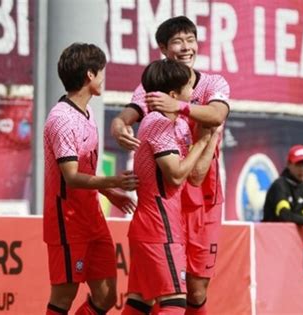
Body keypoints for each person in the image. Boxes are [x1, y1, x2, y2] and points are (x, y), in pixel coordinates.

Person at [111, 16, 230, 314]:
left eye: (191, 40)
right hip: (167, 204)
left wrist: (180, 106)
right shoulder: (153, 94)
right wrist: (118, 124)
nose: (186, 47)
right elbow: (130, 113)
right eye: (178, 41)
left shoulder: (213, 83)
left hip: (203, 199)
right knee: (160, 295)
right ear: (163, 48)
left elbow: (216, 115)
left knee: (194, 289)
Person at [43, 43, 139, 315]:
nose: (103, 78)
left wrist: (109, 193)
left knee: (107, 294)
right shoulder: (61, 119)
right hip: (67, 219)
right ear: (89, 75)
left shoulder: (88, 113)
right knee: (63, 296)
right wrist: (114, 182)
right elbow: (71, 177)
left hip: (92, 216)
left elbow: (83, 168)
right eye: (101, 72)